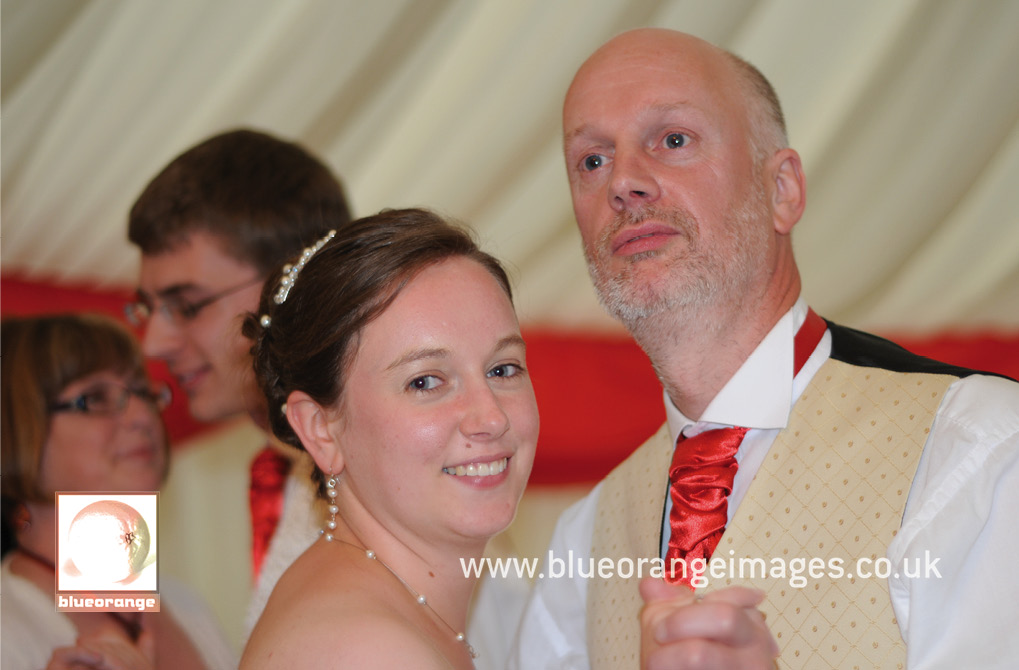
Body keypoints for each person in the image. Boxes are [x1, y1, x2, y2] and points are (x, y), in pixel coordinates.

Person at [512, 28, 1019, 669]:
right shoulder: (583, 543)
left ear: (782, 190)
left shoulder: (975, 450)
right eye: (591, 160)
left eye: (672, 140)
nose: (624, 182)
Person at [238, 208, 539, 668]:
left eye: (503, 369)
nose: (491, 416)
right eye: (425, 381)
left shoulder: (386, 606)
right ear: (320, 429)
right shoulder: (366, 650)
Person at [124, 128, 353, 640]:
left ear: (292, 284)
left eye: (186, 305)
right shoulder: (278, 470)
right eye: (146, 308)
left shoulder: (393, 473)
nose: (152, 343)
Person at [0, 313, 236, 670]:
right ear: (15, 428)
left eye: (143, 392)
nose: (141, 415)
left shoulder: (186, 605)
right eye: (94, 398)